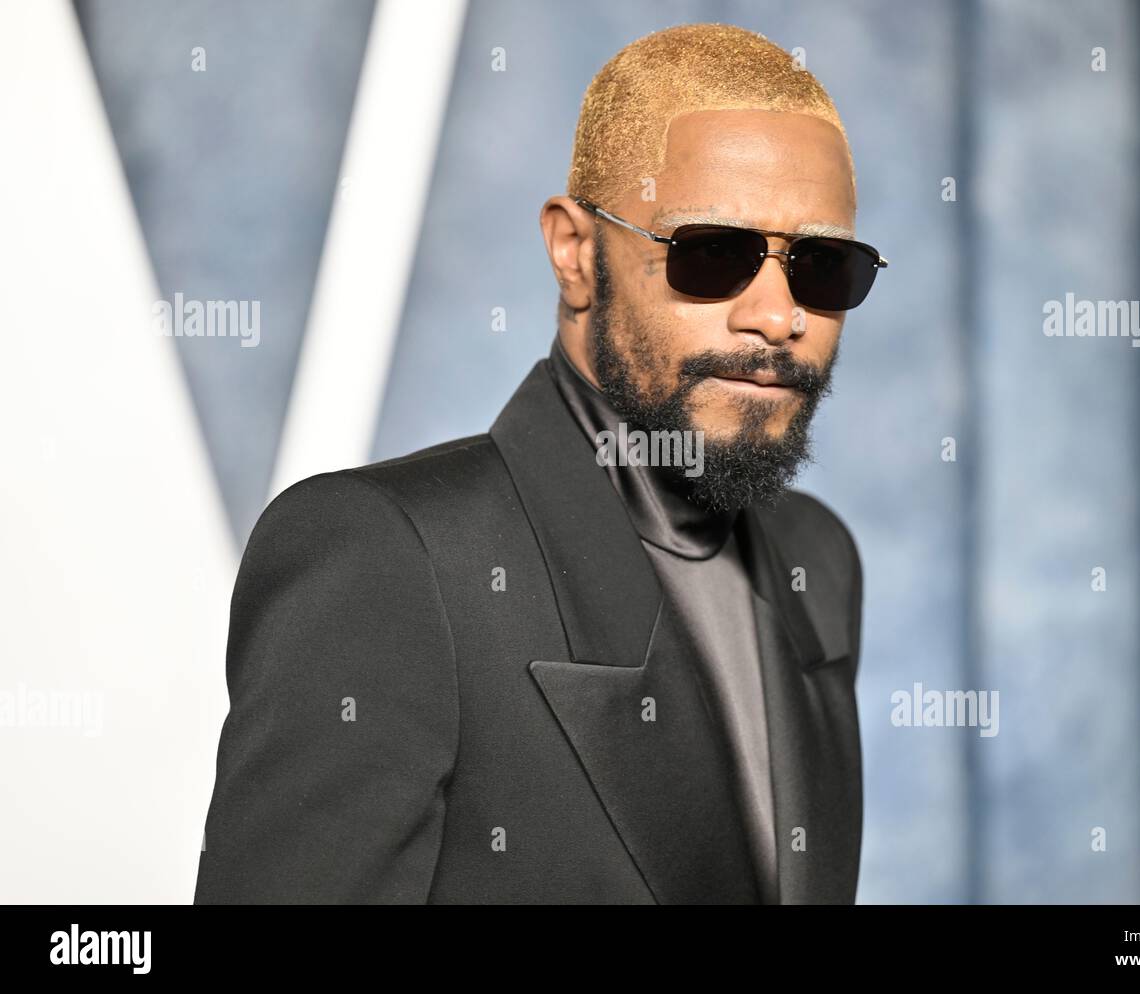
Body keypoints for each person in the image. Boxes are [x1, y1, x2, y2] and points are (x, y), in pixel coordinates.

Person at [194, 21, 885, 905]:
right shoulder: (388, 558)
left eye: (822, 267)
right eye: (713, 252)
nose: (776, 316)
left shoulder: (819, 561)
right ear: (574, 252)